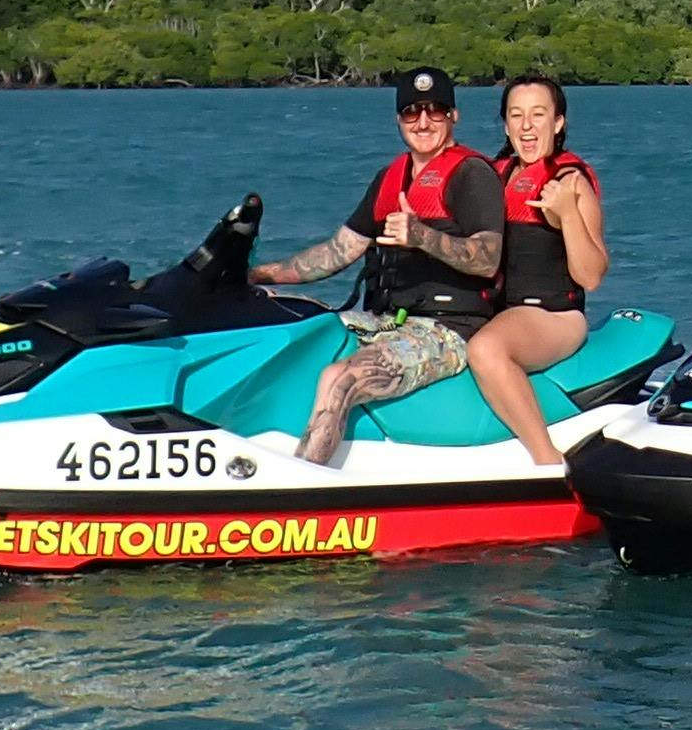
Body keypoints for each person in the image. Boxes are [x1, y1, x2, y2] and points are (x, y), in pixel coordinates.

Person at [251, 69, 508, 467]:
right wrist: (259, 277)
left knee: (339, 379)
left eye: (435, 111)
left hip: (446, 330)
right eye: (411, 112)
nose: (423, 122)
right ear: (398, 119)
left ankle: (303, 486)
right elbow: (339, 251)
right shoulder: (391, 178)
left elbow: (488, 257)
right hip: (384, 319)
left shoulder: (472, 175)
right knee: (280, 316)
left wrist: (422, 236)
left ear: (453, 116)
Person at [469, 75, 612, 468]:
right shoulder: (494, 175)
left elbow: (592, 276)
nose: (527, 126)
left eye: (538, 115)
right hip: (503, 311)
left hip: (555, 316)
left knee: (486, 348)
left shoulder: (570, 181)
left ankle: (547, 459)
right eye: (517, 115)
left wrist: (567, 214)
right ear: (505, 124)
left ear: (558, 123)